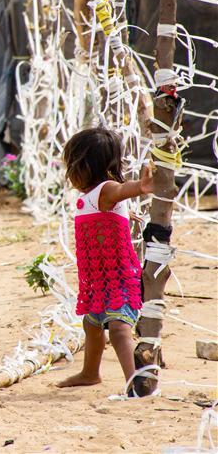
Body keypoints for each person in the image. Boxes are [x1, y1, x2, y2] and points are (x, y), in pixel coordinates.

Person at [57, 127, 152, 389]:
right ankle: (90, 373)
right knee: (91, 325)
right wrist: (124, 213)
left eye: (72, 167)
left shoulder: (106, 189)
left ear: (86, 166)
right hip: (98, 280)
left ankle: (136, 382)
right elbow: (111, 208)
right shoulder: (93, 196)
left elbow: (121, 190)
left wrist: (140, 187)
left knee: (119, 328)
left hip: (118, 277)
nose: (70, 174)